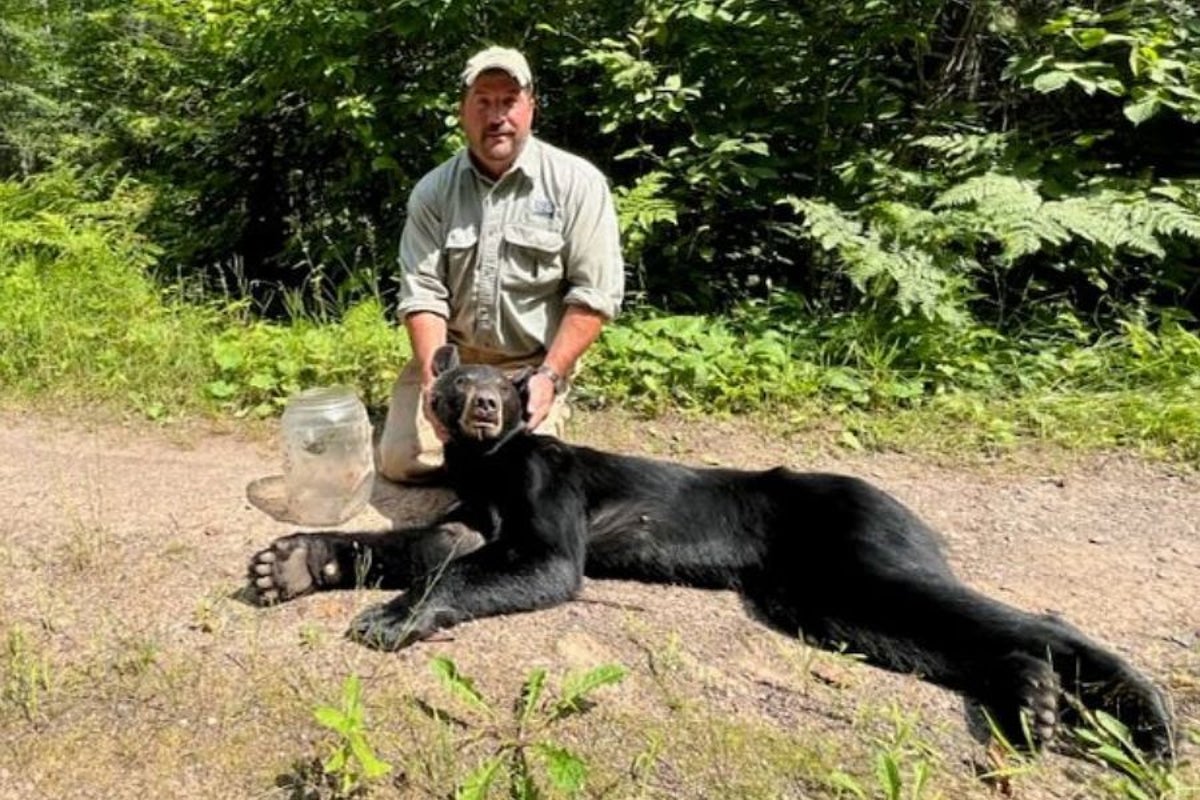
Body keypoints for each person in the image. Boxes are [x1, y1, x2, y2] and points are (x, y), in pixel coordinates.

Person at [377, 46, 625, 483]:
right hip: (454, 364)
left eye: (509, 100)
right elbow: (423, 296)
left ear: (530, 108)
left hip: (531, 365)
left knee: (528, 471)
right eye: (483, 102)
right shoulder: (433, 191)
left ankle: (502, 453)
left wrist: (549, 375)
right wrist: (437, 382)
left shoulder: (579, 184)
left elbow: (594, 297)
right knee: (403, 463)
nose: (497, 116)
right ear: (462, 111)